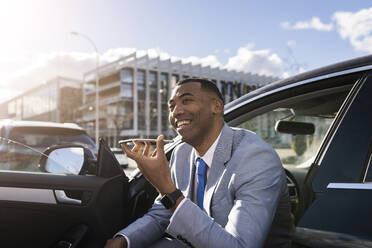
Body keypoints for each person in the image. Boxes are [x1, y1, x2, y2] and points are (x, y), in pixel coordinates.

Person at [105, 78, 293, 248]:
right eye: (172, 106)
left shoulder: (255, 158)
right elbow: (163, 213)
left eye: (186, 101)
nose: (176, 112)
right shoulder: (182, 152)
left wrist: (167, 190)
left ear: (216, 107)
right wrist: (124, 240)